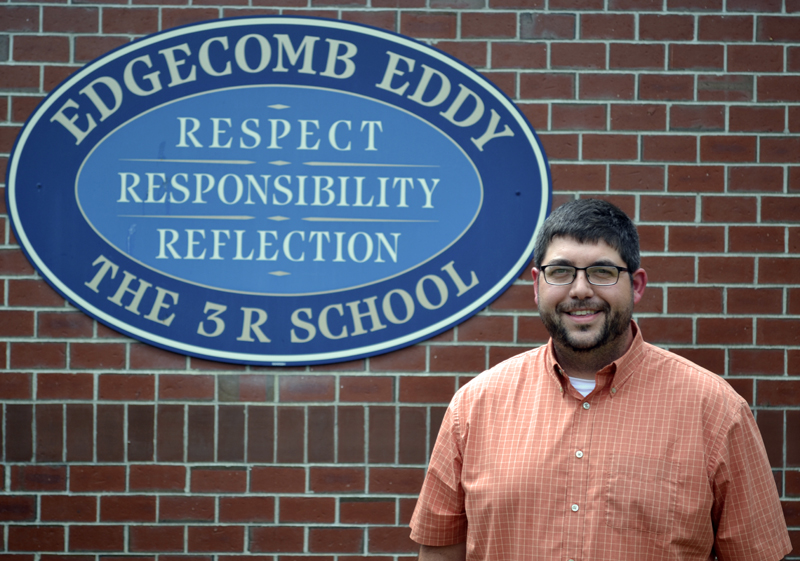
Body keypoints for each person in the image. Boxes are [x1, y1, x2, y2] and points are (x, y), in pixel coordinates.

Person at [409, 199, 792, 561]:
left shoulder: (717, 411)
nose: (580, 290)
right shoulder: (474, 406)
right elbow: (440, 551)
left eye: (602, 272)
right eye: (560, 271)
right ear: (537, 283)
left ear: (637, 285)